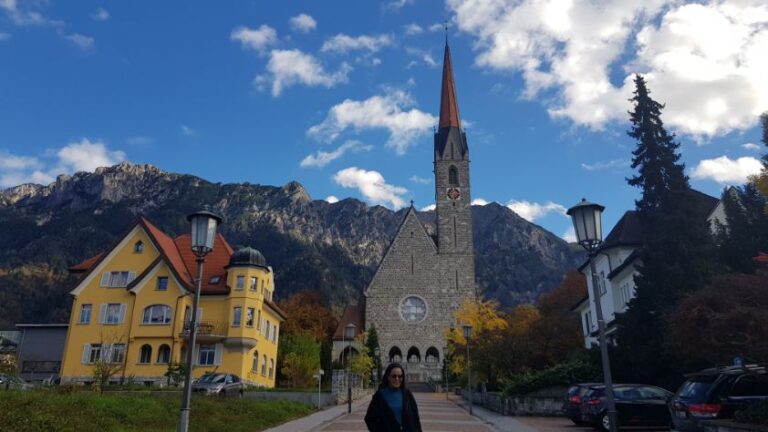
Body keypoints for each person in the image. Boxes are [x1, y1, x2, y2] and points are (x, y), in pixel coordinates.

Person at [364, 363, 422, 432]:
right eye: (394, 376)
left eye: (400, 376)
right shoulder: (380, 395)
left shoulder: (407, 394)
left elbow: (415, 417)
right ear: (388, 377)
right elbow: (369, 418)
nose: (397, 379)